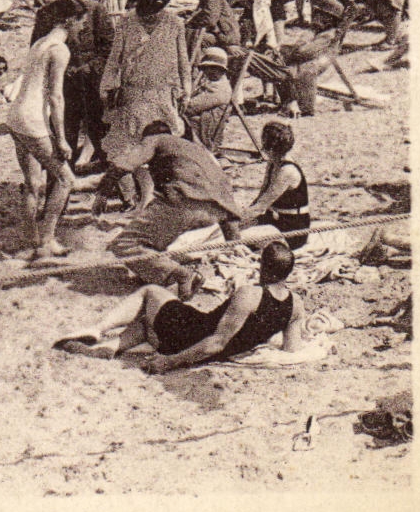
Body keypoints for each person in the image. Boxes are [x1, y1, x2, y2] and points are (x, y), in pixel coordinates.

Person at [53, 241, 305, 372]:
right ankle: (109, 347)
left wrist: (171, 362)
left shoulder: (250, 295)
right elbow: (292, 348)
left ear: (263, 266)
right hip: (205, 343)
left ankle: (98, 329)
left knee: (150, 292)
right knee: (146, 321)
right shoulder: (296, 307)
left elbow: (216, 341)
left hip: (191, 337)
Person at [106, 123, 248, 299]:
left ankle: (182, 275)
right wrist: (234, 242)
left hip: (184, 202)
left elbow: (122, 165)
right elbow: (224, 192)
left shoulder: (155, 139)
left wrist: (102, 194)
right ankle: (162, 274)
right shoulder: (196, 149)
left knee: (124, 244)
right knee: (155, 238)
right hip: (216, 211)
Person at [6, 0, 84, 258]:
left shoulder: (40, 42)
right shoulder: (60, 50)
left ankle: (32, 240)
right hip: (33, 121)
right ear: (70, 21)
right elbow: (55, 97)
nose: (82, 28)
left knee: (32, 183)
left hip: (15, 116)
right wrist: (61, 139)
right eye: (81, 22)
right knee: (65, 179)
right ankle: (48, 240)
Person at [100, 0, 192, 156]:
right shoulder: (126, 22)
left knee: (164, 140)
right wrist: (106, 87)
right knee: (131, 143)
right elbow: (114, 59)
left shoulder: (174, 23)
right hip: (134, 92)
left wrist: (186, 90)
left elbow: (183, 60)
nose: (151, 15)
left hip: (163, 92)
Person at [241, 122, 312, 250]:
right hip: (275, 220)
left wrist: (234, 223)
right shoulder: (273, 163)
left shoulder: (287, 171)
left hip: (292, 228)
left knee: (238, 238)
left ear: (271, 148)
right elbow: (260, 198)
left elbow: (261, 206)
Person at [181, 47, 234, 147]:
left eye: (214, 68)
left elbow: (191, 107)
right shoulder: (211, 83)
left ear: (222, 70)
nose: (209, 71)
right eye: (206, 68)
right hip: (200, 124)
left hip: (203, 131)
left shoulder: (219, 89)